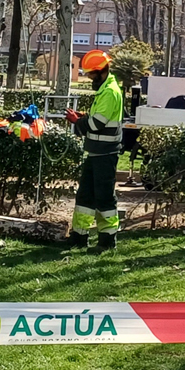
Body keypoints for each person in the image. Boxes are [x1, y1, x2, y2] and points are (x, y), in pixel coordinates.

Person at [63, 49, 122, 249]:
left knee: (104, 197)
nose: (88, 77)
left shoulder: (110, 91)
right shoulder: (106, 88)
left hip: (105, 153)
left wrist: (77, 121)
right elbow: (97, 118)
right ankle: (79, 237)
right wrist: (82, 116)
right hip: (97, 151)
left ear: (99, 71)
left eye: (89, 73)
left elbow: (96, 124)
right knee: (85, 196)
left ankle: (107, 240)